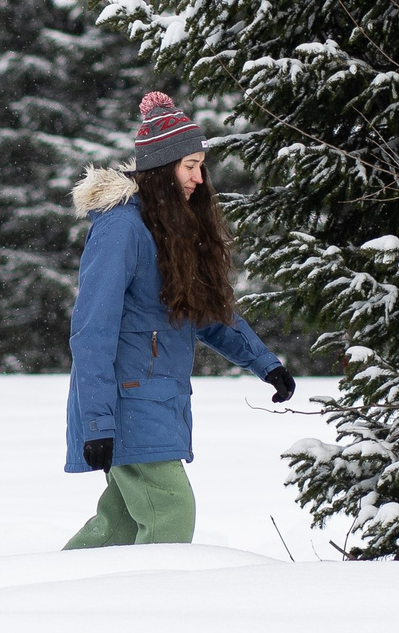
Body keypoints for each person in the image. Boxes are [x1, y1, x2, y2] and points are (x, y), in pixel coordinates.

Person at [63, 92, 295, 549]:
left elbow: (203, 311)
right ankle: (156, 611)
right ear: (162, 167)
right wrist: (97, 424)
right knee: (171, 509)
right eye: (189, 165)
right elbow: (92, 330)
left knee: (120, 525)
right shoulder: (121, 229)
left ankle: (54, 594)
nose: (199, 177)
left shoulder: (170, 230)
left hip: (159, 398)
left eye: (201, 165)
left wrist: (264, 363)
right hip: (126, 403)